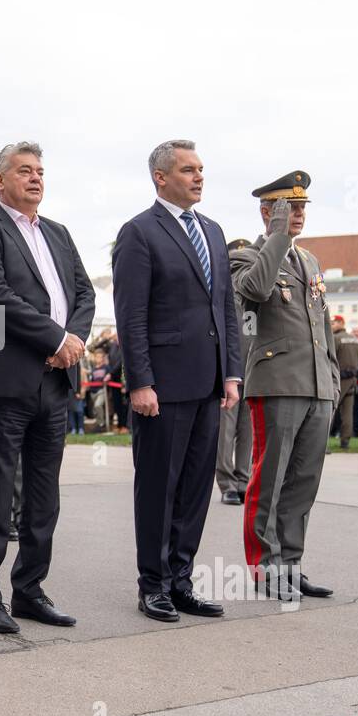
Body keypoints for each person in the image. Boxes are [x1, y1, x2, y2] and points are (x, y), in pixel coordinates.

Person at [0, 141, 95, 634]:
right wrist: (55, 338)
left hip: (55, 381)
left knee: (43, 496)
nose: (36, 177)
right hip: (6, 383)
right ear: (0, 180)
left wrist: (73, 341)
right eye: (24, 170)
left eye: (40, 170)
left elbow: (84, 291)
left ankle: (30, 589)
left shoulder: (58, 233)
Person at [112, 139, 240, 623]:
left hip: (208, 383)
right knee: (158, 488)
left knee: (194, 488)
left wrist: (231, 371)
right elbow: (131, 315)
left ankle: (181, 581)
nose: (199, 177)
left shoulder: (213, 230)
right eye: (189, 170)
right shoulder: (140, 232)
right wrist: (140, 380)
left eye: (202, 169)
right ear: (161, 177)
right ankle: (153, 585)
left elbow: (223, 306)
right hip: (161, 388)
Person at [230, 172, 337, 602]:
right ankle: (264, 567)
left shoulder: (308, 260)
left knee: (303, 482)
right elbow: (254, 289)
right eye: (289, 208)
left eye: (302, 207)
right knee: (268, 479)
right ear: (267, 211)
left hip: (316, 385)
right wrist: (275, 234)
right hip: (275, 382)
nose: (298, 214)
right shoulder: (245, 255)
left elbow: (322, 323)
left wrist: (332, 375)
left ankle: (291, 565)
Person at [216, 238, 254, 503]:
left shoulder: (256, 289)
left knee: (249, 433)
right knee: (225, 434)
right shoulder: (220, 291)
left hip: (255, 372)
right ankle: (227, 483)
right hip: (229, 372)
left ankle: (244, 480)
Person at [331, 315, 358, 449]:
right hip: (352, 379)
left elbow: (330, 358)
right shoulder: (355, 339)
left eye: (334, 323)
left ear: (341, 323)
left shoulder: (335, 338)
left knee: (330, 411)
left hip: (338, 379)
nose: (332, 325)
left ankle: (322, 443)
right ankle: (345, 441)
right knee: (347, 413)